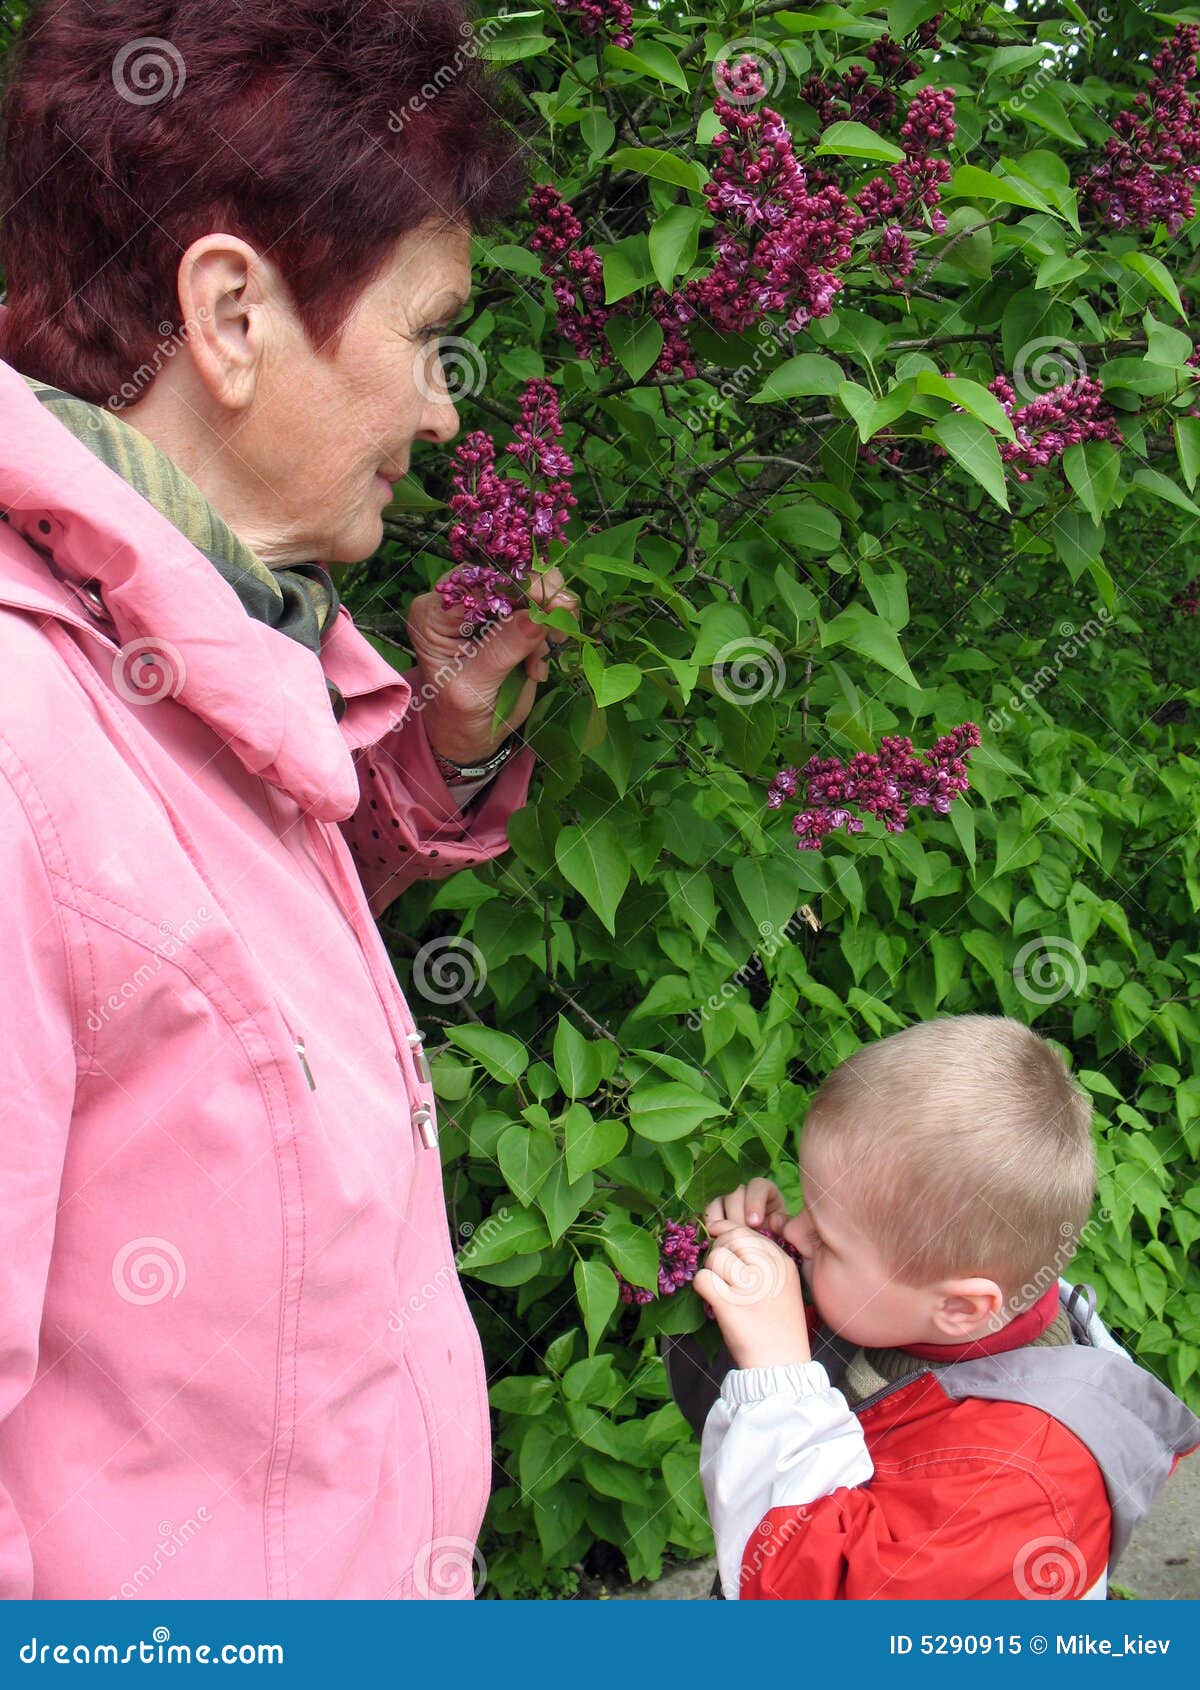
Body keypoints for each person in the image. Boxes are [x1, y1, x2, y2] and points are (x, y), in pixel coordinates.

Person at [0, 0, 571, 1599]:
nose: (448, 411)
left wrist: (436, 749)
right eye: (428, 333)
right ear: (233, 314)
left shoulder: (180, 638)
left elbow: (209, 967)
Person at [674, 1016, 1200, 1600]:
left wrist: (777, 1377)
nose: (794, 1232)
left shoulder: (1023, 1483)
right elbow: (721, 1418)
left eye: (826, 1236)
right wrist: (746, 1293)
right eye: (806, 1205)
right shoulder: (911, 1310)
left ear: (960, 1306)